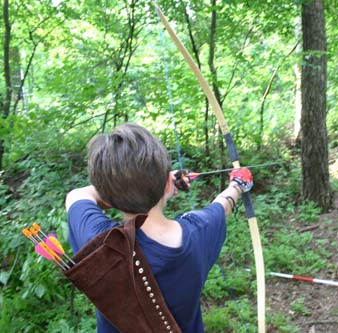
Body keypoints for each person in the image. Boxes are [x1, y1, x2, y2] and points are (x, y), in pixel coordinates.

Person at [65, 123, 253, 333]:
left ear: (107, 193)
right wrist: (238, 183)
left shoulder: (98, 241)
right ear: (166, 183)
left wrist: (121, 186)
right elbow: (223, 204)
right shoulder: (199, 231)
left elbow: (77, 195)